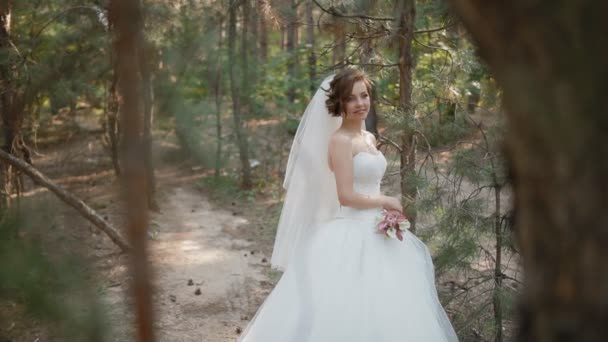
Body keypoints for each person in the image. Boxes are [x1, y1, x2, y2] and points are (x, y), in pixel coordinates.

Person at [238, 68, 458, 341]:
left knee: (388, 307)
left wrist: (384, 209)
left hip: (379, 231)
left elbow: (368, 182)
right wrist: (387, 200)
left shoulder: (368, 138)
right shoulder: (339, 141)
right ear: (339, 104)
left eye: (364, 95)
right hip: (350, 228)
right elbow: (345, 195)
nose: (361, 103)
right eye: (351, 98)